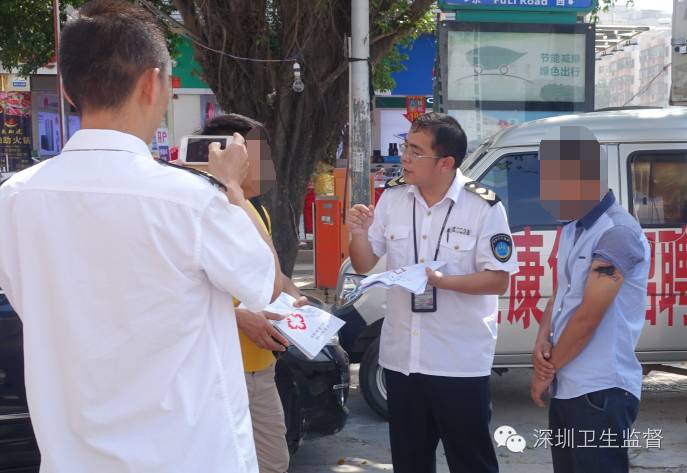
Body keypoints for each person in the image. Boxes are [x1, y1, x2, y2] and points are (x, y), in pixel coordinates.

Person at [0, 2, 281, 472]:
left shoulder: (13, 199)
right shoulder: (192, 201)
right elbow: (265, 283)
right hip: (189, 457)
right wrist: (232, 187)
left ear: (67, 90)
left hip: (75, 458)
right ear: (153, 84)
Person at [347, 112, 519, 473]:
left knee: (471, 462)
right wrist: (358, 232)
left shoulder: (483, 206)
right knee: (410, 462)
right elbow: (363, 263)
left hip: (458, 362)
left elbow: (497, 280)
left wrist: (443, 281)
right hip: (402, 360)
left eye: (416, 151)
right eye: (405, 148)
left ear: (446, 162)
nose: (405, 158)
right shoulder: (393, 199)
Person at [530, 126, 650, 473]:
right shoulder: (573, 226)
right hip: (569, 386)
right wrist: (541, 342)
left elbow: (588, 317)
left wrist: (546, 372)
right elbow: (561, 293)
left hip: (600, 391)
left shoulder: (617, 233)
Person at [201, 113, 304, 473]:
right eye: (261, 155)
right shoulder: (205, 210)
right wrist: (239, 318)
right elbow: (180, 293)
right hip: (223, 370)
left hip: (262, 367)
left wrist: (293, 295)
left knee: (274, 463)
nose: (268, 165)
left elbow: (272, 274)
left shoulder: (254, 209)